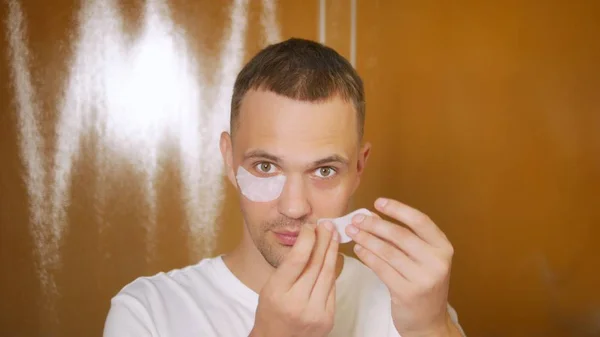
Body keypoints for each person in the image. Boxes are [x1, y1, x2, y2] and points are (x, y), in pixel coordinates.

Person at [103, 38, 466, 337]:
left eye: (324, 170)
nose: (294, 207)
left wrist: (430, 327)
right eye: (266, 166)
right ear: (230, 160)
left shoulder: (410, 304)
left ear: (358, 168)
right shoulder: (148, 313)